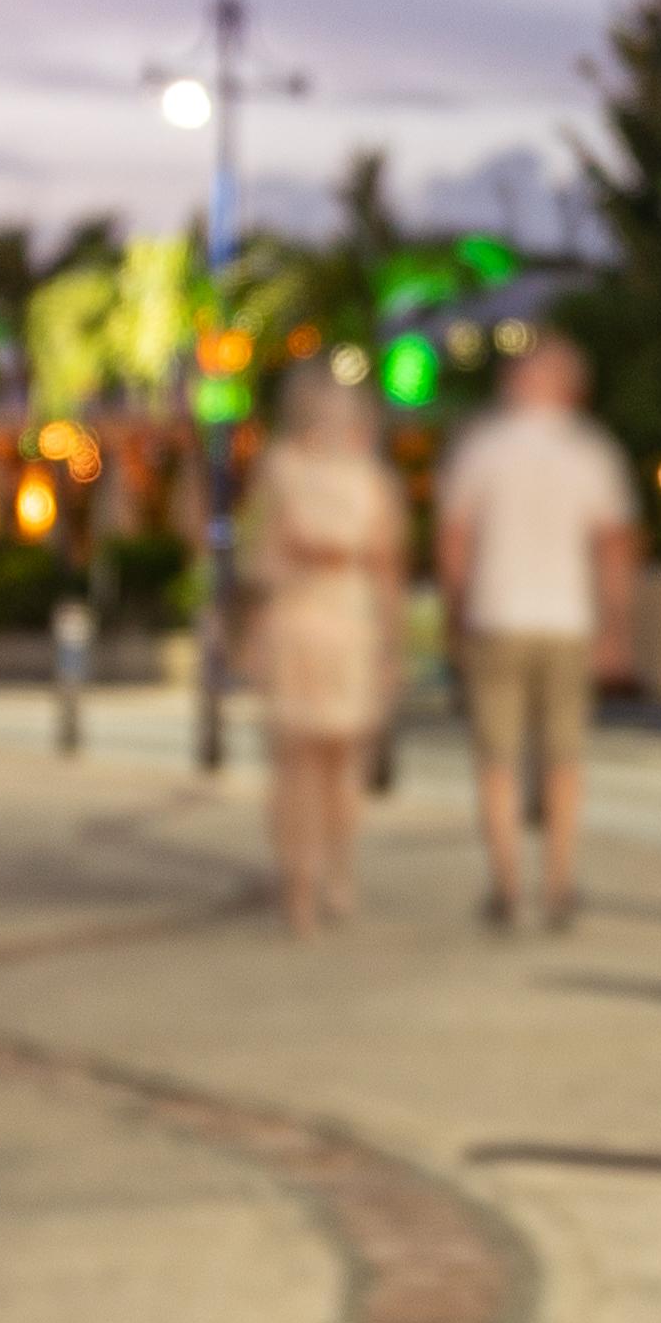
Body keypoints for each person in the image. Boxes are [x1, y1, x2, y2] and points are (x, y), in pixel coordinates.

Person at [431, 331, 635, 931]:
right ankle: (559, 882)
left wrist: (453, 612)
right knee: (563, 757)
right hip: (567, 620)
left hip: (496, 617)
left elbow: (453, 542)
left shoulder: (481, 448)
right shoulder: (592, 452)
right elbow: (614, 547)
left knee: (496, 757)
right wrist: (616, 628)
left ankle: (507, 884)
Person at [239, 376, 403, 930]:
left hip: (349, 620)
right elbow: (259, 554)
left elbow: (386, 565)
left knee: (340, 762)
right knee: (299, 763)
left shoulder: (369, 478)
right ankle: (301, 881)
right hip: (300, 618)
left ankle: (335, 873)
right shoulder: (282, 468)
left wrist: (391, 643)